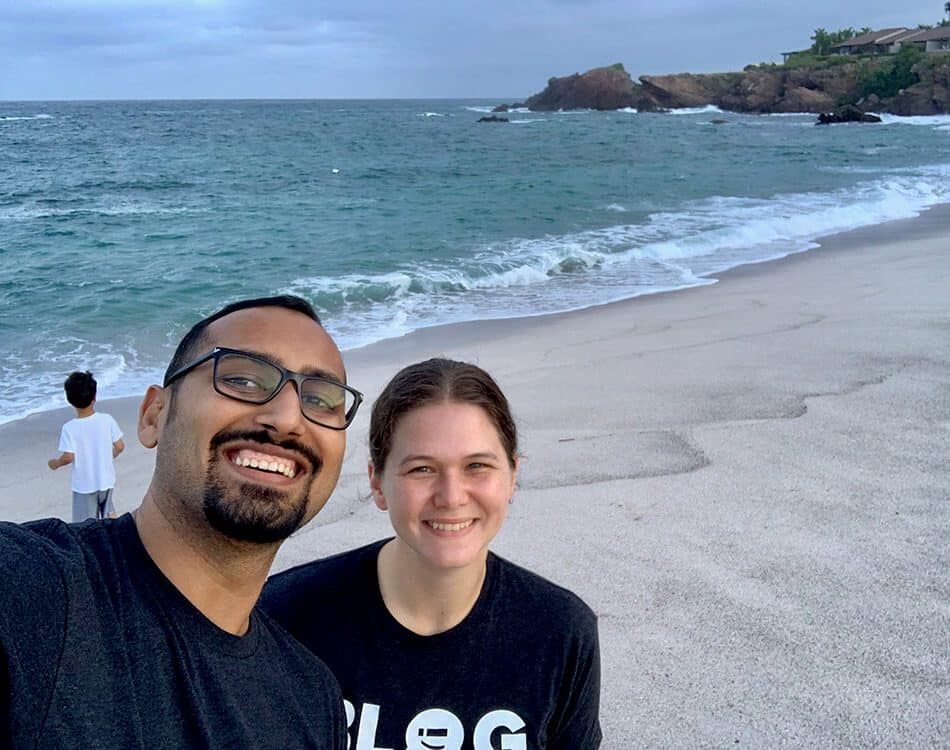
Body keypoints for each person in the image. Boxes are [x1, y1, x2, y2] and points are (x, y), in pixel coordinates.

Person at [1, 295, 363, 749]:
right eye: (242, 378)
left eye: (321, 399)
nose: (288, 419)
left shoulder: (314, 699)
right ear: (154, 415)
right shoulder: (33, 594)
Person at [262, 358, 602, 750]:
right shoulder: (285, 618)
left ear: (512, 475)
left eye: (477, 466)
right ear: (377, 482)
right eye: (422, 469)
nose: (451, 497)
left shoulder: (561, 633)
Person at [48, 370, 125, 521]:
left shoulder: (69, 428)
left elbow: (68, 457)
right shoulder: (107, 420)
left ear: (69, 400)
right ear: (94, 396)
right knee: (109, 512)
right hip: (106, 480)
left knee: (85, 523)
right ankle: (116, 531)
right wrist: (111, 455)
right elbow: (120, 446)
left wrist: (55, 463)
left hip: (84, 485)